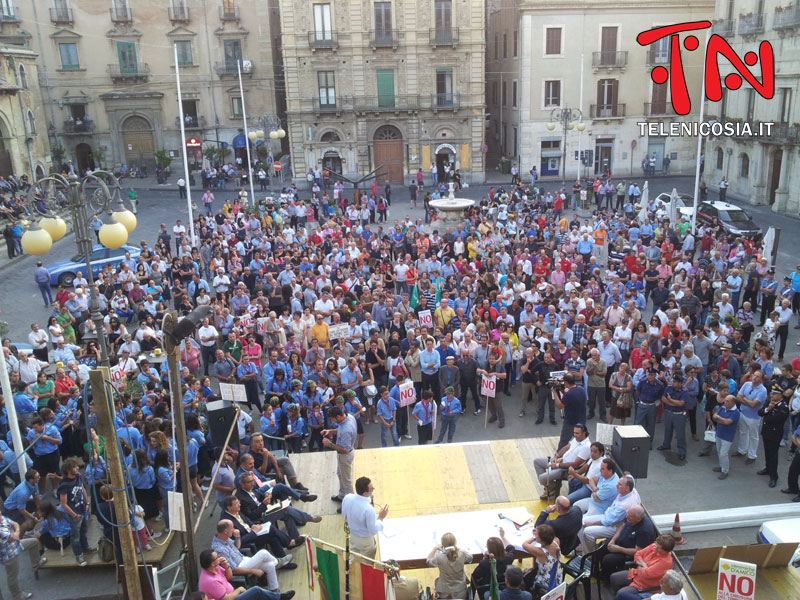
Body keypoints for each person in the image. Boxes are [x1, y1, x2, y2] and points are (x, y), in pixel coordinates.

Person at [211, 519, 293, 593]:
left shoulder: (224, 537)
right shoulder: (219, 549)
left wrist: (237, 537)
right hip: (240, 566)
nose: (234, 530)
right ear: (225, 531)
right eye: (232, 528)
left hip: (244, 559)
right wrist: (253, 571)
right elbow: (234, 570)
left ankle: (274, 591)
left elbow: (237, 547)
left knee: (270, 565)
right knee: (263, 553)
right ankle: (278, 562)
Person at [197, 549, 295, 600]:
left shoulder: (216, 567)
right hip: (232, 598)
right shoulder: (210, 581)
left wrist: (226, 566)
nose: (220, 557)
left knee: (260, 593)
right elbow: (227, 598)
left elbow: (229, 577)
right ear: (212, 563)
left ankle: (276, 596)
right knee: (256, 590)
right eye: (217, 557)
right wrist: (239, 590)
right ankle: (279, 597)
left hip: (233, 594)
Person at [596, 505, 657, 582]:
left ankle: (607, 579)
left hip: (628, 553)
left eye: (629, 516)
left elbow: (638, 551)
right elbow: (622, 526)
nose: (627, 517)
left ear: (638, 519)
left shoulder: (645, 530)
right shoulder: (630, 516)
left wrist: (619, 549)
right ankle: (598, 571)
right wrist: (613, 539)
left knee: (608, 559)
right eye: (627, 514)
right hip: (620, 542)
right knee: (601, 547)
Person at [533, 424, 590, 499]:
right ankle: (551, 487)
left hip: (566, 469)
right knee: (537, 462)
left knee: (542, 478)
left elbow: (575, 465)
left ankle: (552, 487)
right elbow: (566, 447)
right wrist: (556, 456)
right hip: (560, 461)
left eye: (577, 433)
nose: (574, 435)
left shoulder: (586, 447)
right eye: (574, 433)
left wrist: (557, 465)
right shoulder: (577, 439)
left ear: (584, 433)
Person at [609, 535, 675, 599]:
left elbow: (646, 574)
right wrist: (643, 565)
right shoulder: (654, 546)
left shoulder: (666, 562)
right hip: (636, 574)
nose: (655, 547)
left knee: (621, 593)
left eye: (658, 548)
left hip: (645, 586)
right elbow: (638, 554)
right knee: (613, 577)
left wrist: (640, 564)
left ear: (665, 551)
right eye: (656, 544)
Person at [57, 458, 95, 567]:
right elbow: (63, 503)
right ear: (68, 470)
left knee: (84, 530)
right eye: (75, 467)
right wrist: (74, 515)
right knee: (75, 536)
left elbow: (82, 488)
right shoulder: (64, 485)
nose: (78, 468)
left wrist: (87, 503)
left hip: (83, 510)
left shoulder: (78, 476)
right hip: (75, 514)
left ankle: (85, 547)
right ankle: (78, 555)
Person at [340, 476, 388, 559]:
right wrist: (380, 518)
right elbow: (373, 530)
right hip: (365, 541)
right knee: (367, 565)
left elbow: (344, 513)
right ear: (365, 493)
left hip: (352, 536)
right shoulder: (369, 510)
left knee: (353, 561)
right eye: (371, 489)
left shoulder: (348, 497)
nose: (373, 488)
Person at [0, 511, 41, 600]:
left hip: (17, 544)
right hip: (9, 555)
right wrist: (14, 531)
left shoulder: (2, 519)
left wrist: (16, 530)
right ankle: (17, 594)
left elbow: (15, 523)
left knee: (34, 542)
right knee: (12, 575)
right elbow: (13, 537)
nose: (1, 516)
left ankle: (36, 565)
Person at [322, 406, 357, 503]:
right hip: (344, 454)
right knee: (340, 474)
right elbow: (341, 430)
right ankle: (342, 496)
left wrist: (330, 444)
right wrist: (330, 431)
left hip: (345, 455)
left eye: (332, 418)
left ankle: (350, 504)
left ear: (338, 416)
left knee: (347, 481)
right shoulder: (349, 417)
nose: (332, 421)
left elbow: (345, 450)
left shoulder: (346, 429)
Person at [758, 387, 791, 488]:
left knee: (773, 455)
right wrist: (768, 409)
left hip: (775, 433)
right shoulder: (769, 402)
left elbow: (774, 420)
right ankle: (768, 468)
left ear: (780, 395)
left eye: (774, 393)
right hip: (766, 431)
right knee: (767, 452)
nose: (771, 395)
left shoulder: (783, 407)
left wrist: (767, 412)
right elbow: (760, 412)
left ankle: (774, 476)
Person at [426, 532, 472, 599]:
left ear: (443, 544)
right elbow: (470, 557)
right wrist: (457, 548)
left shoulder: (439, 557)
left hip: (444, 593)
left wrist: (434, 549)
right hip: (461, 592)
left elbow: (428, 562)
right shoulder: (462, 554)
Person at [521, 524, 562, 596]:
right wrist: (538, 533)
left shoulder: (542, 553)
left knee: (524, 575)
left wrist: (533, 537)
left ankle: (531, 593)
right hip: (557, 577)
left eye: (537, 535)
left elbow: (524, 544)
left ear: (539, 539)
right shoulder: (556, 541)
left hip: (547, 584)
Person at [554, 373, 586, 450]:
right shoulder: (581, 389)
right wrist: (563, 391)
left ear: (566, 383)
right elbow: (571, 398)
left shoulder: (569, 394)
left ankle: (558, 456)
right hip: (581, 420)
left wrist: (554, 393)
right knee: (579, 440)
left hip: (570, 422)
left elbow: (559, 406)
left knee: (564, 441)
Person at [711, 394, 740, 480]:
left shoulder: (736, 412)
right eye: (725, 400)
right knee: (719, 451)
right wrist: (719, 418)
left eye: (727, 401)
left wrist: (718, 418)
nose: (725, 402)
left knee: (723, 453)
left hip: (728, 436)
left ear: (733, 403)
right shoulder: (723, 407)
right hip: (719, 433)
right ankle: (722, 466)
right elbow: (714, 416)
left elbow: (727, 422)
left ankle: (725, 470)